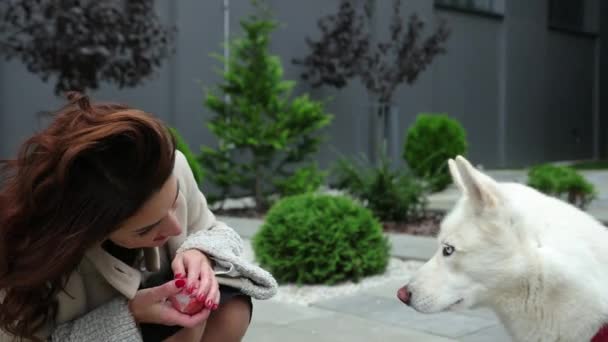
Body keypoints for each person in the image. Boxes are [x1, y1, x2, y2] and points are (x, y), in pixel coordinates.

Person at [0, 92, 277, 342]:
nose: (176, 226)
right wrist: (130, 315)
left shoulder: (173, 169)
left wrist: (201, 250)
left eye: (174, 200)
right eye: (145, 230)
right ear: (88, 232)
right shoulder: (21, 259)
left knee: (231, 308)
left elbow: (214, 229)